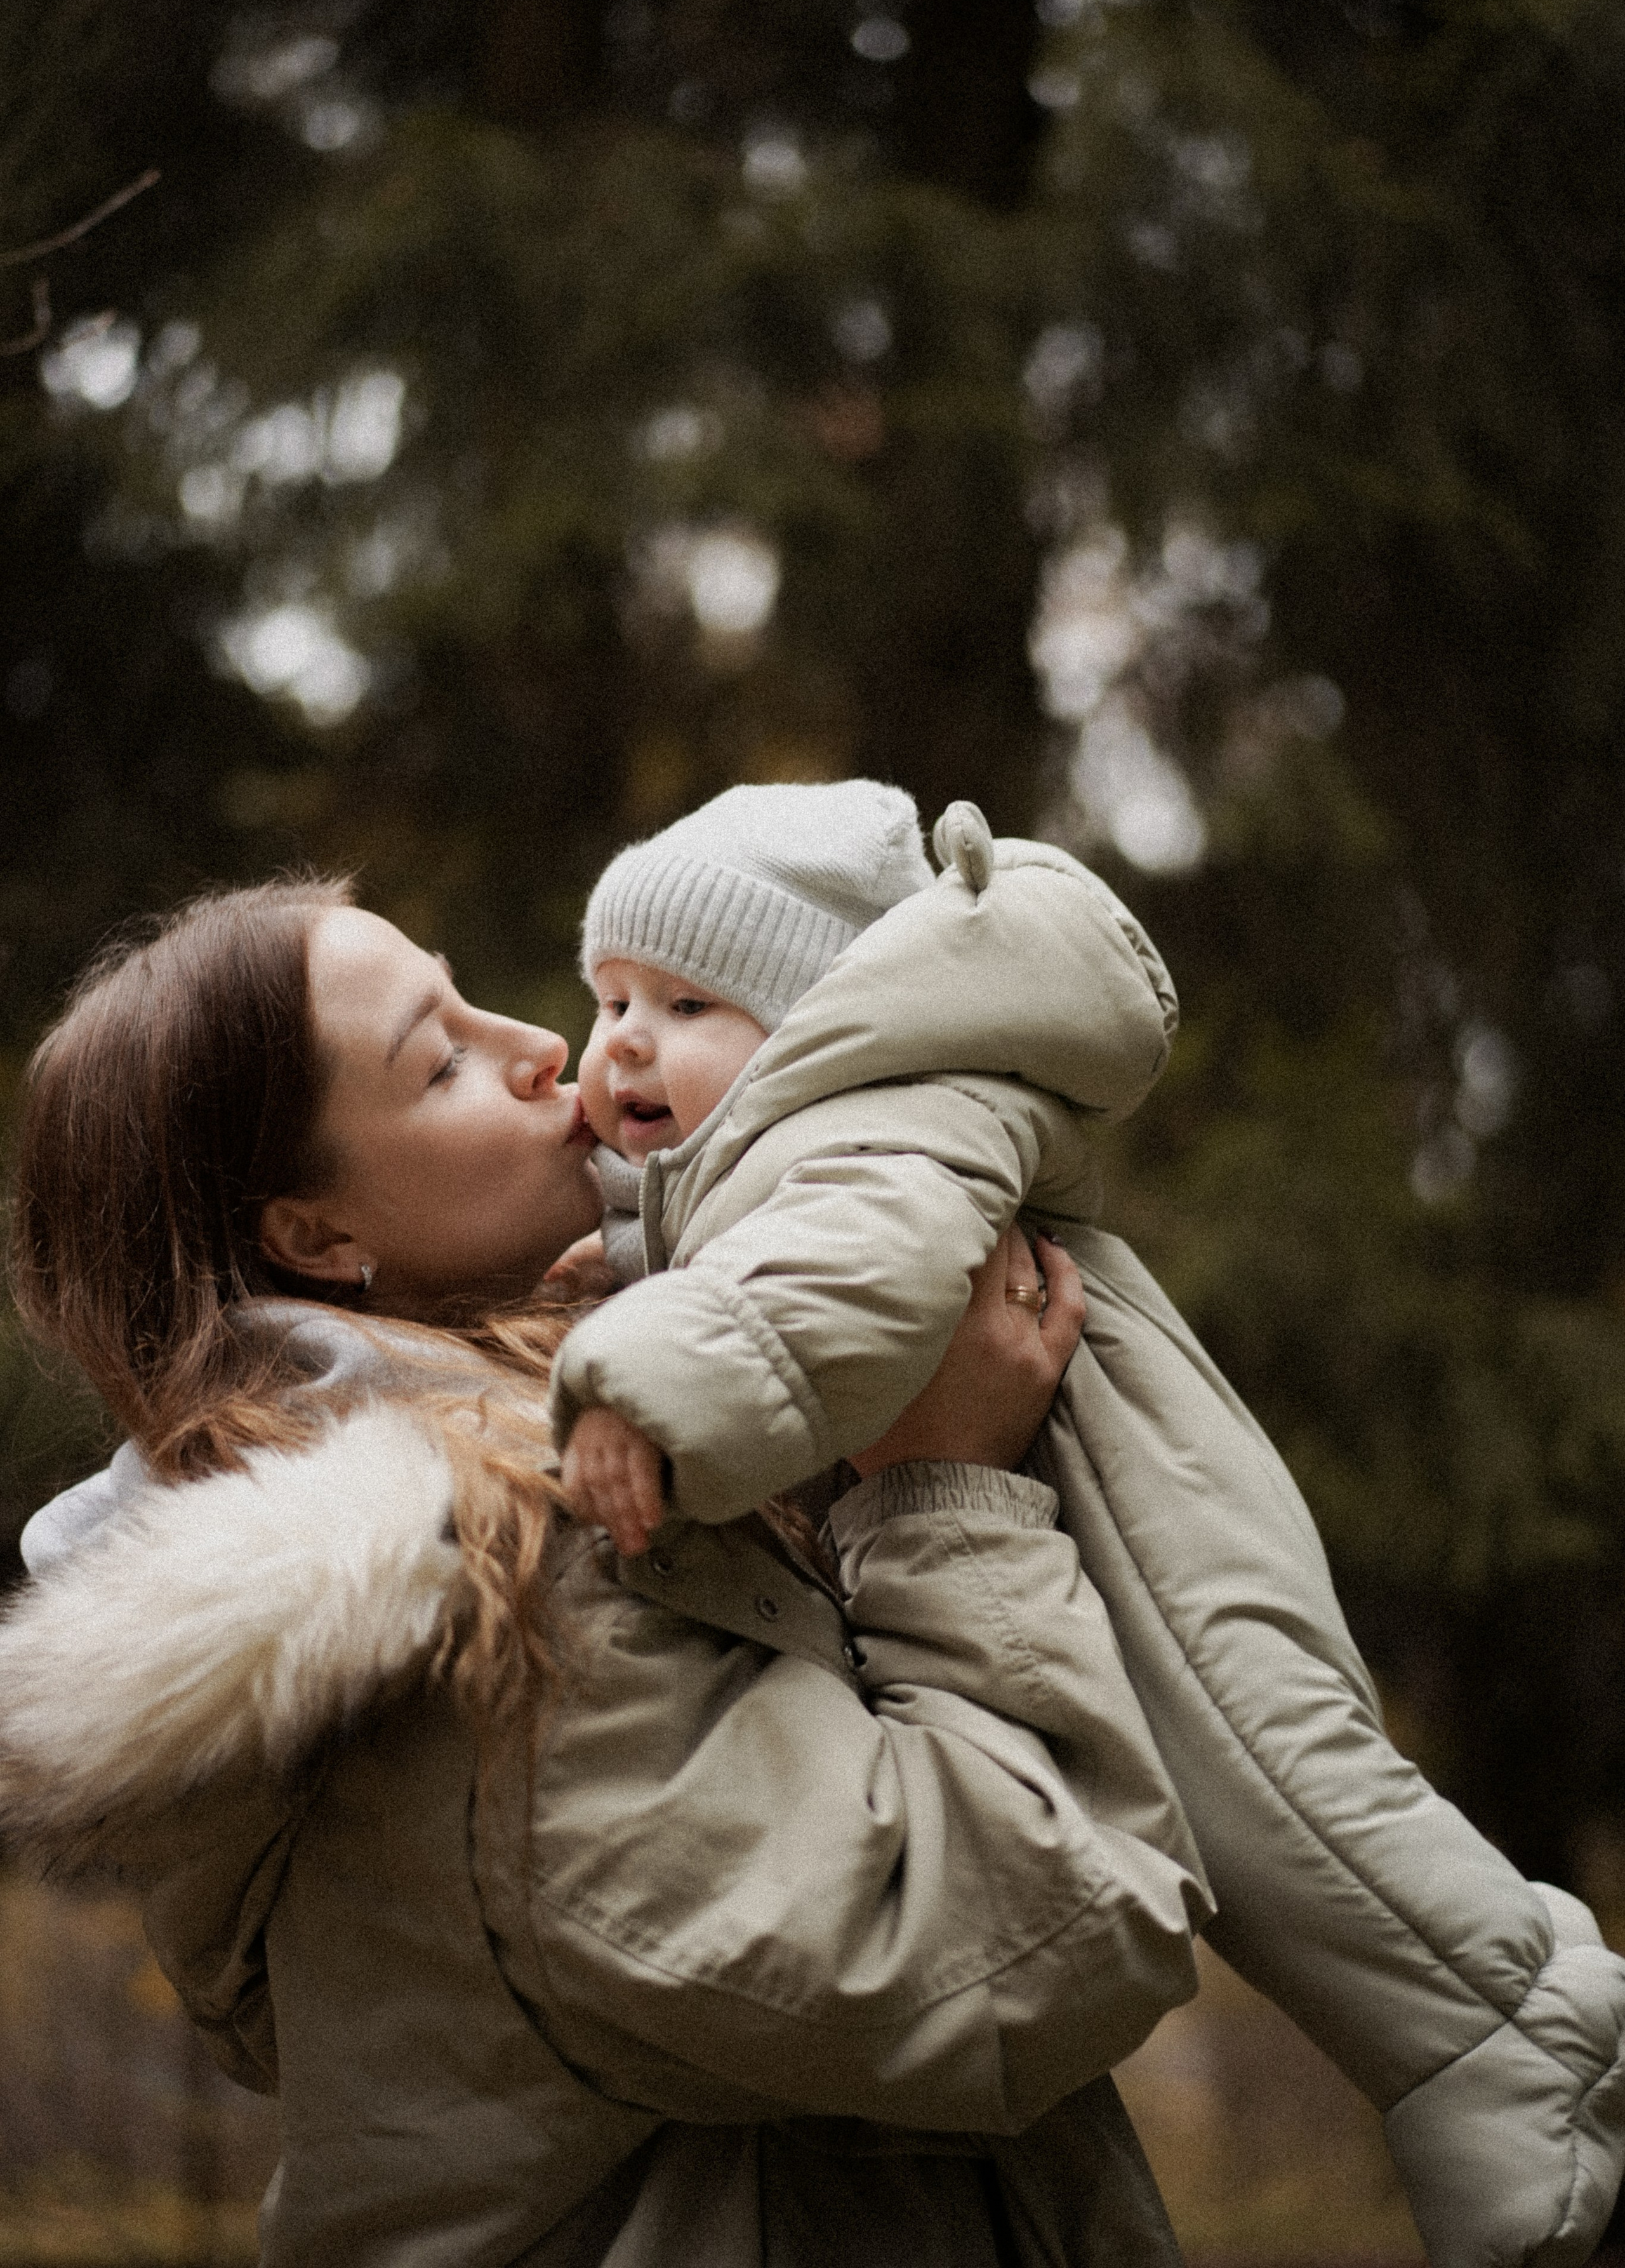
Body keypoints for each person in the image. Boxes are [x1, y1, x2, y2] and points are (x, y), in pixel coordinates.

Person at [0, 876, 1211, 2268]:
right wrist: (943, 1489)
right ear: (317, 1237)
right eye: (441, 1060)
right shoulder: (487, 1611)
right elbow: (1031, 1950)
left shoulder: (587, 1469)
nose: (539, 1047)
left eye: (469, 996)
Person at [554, 778, 1625, 2268]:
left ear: (822, 1016)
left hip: (1137, 1508)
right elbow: (759, 1247)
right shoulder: (796, 1147)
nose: (619, 1044)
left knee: (1284, 1804)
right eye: (608, 1000)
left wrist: (649, 1384)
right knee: (1275, 1819)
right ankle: (1496, 2035)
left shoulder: (887, 1123)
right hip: (1075, 1496)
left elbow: (831, 1283)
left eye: (684, 1001)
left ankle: (1510, 2043)